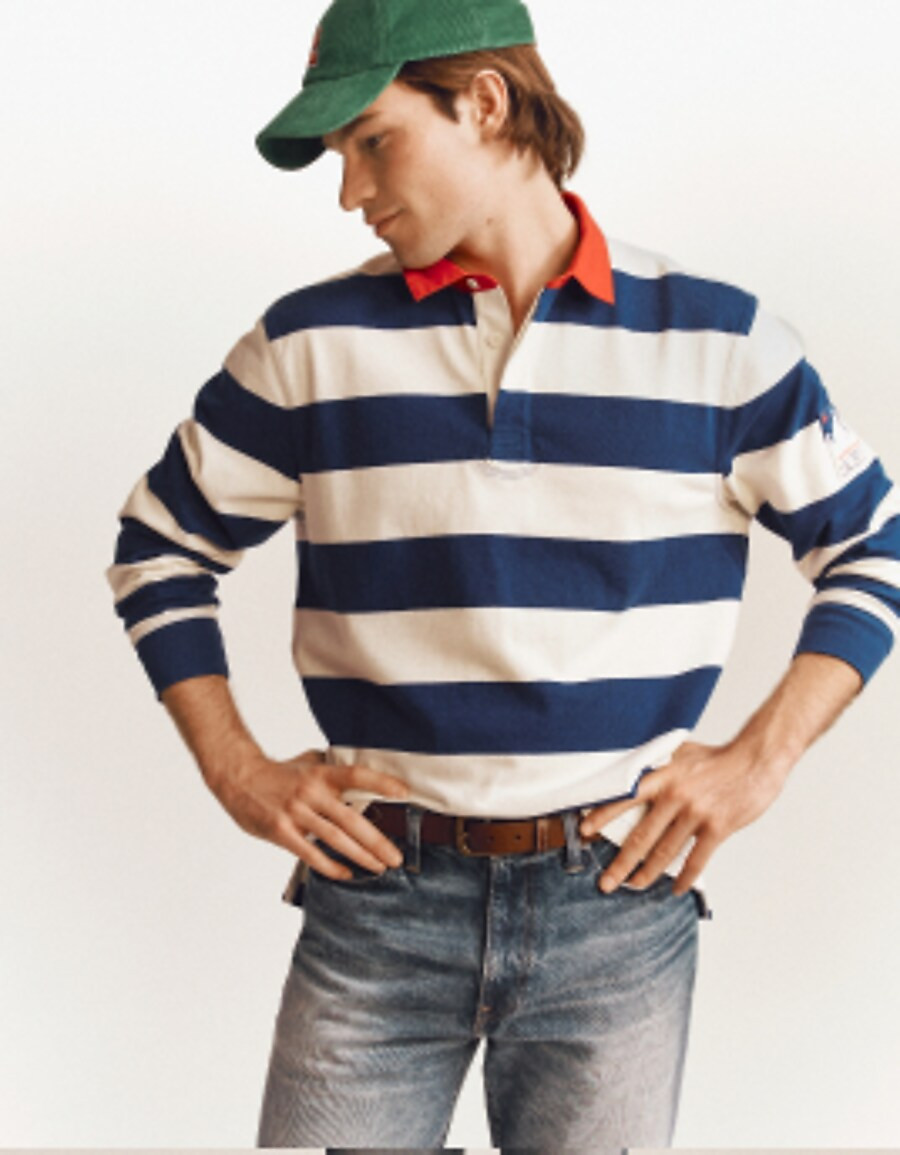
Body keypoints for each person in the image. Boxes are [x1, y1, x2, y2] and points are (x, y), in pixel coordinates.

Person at [107, 0, 900, 1148]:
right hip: (377, 903)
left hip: (616, 907)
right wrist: (236, 770)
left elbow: (872, 544)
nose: (350, 191)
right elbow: (159, 550)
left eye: (373, 141)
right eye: (337, 157)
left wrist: (756, 764)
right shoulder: (306, 347)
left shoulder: (722, 344)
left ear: (484, 102)